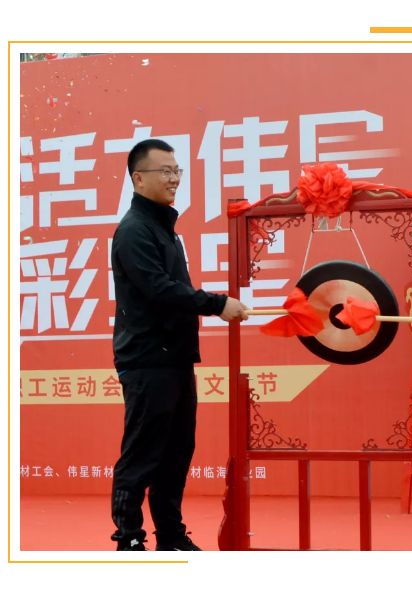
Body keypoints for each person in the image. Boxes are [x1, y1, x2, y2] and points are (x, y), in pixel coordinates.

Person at [110, 138, 247, 551]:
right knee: (143, 453)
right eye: (165, 171)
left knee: (176, 453)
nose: (173, 179)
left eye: (176, 171)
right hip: (147, 361)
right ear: (138, 179)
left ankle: (170, 535)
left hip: (175, 359)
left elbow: (172, 289)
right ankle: (129, 539)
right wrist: (217, 304)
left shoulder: (164, 229)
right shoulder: (133, 231)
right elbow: (159, 289)